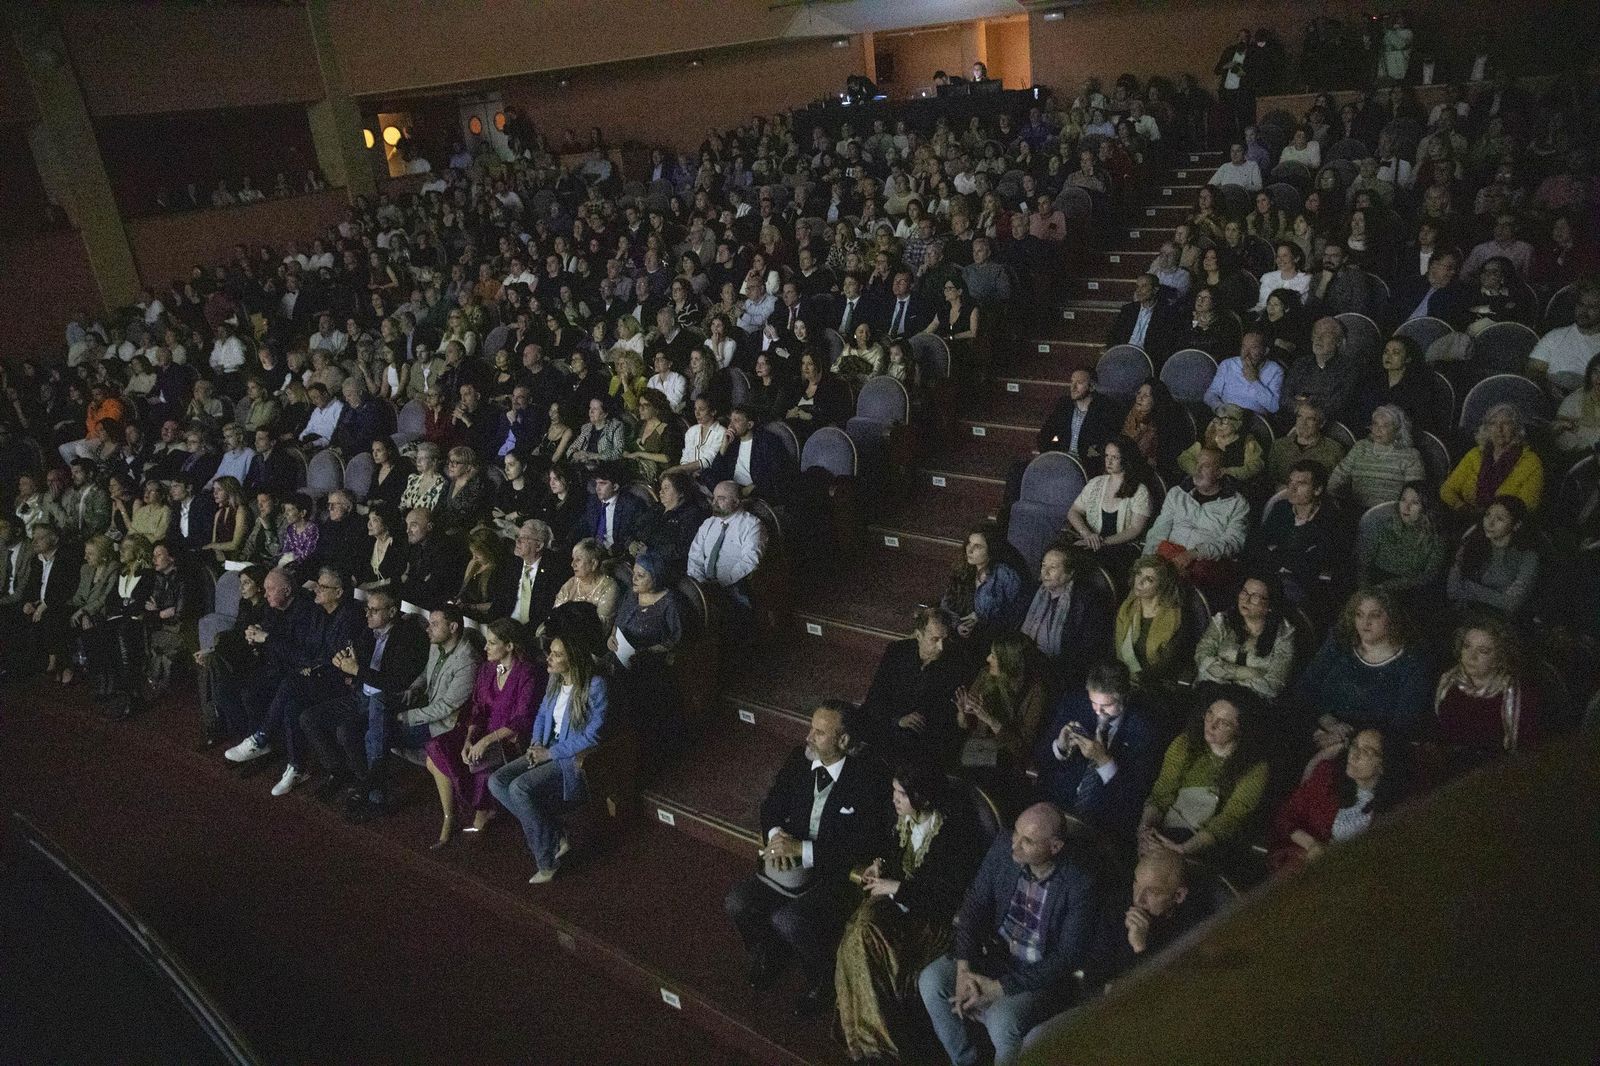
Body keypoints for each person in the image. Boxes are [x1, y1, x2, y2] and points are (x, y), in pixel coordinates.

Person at [726, 701, 893, 1013]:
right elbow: (772, 804)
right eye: (810, 728)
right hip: (787, 867)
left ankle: (824, 981)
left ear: (844, 741)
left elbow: (865, 844)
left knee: (789, 919)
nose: (808, 737)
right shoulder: (798, 761)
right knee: (738, 901)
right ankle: (769, 951)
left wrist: (804, 851)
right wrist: (776, 837)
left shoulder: (869, 780)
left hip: (835, 875)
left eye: (819, 732)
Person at [917, 803, 1097, 1066]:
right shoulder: (1004, 847)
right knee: (932, 981)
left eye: (1028, 841)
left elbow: (1067, 957)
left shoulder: (1079, 882)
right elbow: (974, 904)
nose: (1015, 845)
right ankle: (965, 1061)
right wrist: (963, 969)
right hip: (996, 955)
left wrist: (999, 989)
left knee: (1003, 1021)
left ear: (1054, 847)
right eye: (1016, 833)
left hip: (1039, 974)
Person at [834, 762, 987, 1063]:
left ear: (924, 798)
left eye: (901, 794)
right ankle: (869, 1039)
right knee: (856, 935)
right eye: (894, 791)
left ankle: (873, 1043)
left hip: (928, 919)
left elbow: (946, 896)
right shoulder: (903, 819)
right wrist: (880, 864)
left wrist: (897, 888)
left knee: (861, 936)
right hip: (896, 907)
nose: (895, 799)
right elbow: (891, 851)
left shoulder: (952, 834)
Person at [488, 618, 609, 885]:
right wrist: (534, 744)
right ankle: (553, 832)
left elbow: (591, 736)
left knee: (520, 788)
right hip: (545, 749)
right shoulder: (554, 680)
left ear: (573, 659)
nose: (549, 659)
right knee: (496, 781)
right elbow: (543, 714)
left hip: (568, 758)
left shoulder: (595, 686)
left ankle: (546, 860)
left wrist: (549, 754)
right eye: (550, 653)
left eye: (556, 655)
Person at [425, 617, 545, 847]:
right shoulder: (488, 668)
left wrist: (485, 742)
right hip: (481, 732)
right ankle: (450, 816)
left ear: (509, 646)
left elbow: (523, 719)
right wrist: (470, 739)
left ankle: (482, 810)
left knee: (477, 764)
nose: (485, 647)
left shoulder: (527, 673)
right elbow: (477, 708)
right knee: (437, 749)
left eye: (491, 643)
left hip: (510, 738)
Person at [1033, 660, 1164, 841]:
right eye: (1094, 702)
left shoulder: (1143, 730)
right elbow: (1040, 760)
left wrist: (1104, 761)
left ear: (1124, 698)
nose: (1098, 711)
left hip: (1101, 820)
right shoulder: (1075, 705)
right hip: (1056, 804)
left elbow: (1133, 798)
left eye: (1107, 705)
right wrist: (1060, 747)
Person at [1297, 588, 1433, 748]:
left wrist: (1346, 737)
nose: (1365, 622)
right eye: (1359, 614)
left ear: (1391, 617)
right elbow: (1305, 688)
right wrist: (1323, 725)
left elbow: (1403, 725)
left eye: (1374, 615)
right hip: (1320, 731)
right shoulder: (1340, 643)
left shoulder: (1411, 662)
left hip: (1370, 747)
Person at [1138, 694, 1269, 859]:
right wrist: (1144, 830)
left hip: (1205, 840)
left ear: (1241, 730)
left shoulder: (1255, 767)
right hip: (1167, 824)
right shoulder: (1185, 743)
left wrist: (1183, 848)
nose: (1211, 725)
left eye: (1224, 723)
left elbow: (1230, 819)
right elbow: (1161, 793)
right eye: (1210, 714)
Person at [1269, 728, 1400, 872]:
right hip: (1305, 863)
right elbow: (1285, 816)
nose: (1354, 755)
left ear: (1383, 765)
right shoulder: (1328, 775)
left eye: (1366, 752)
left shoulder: (1392, 809)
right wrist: (1312, 844)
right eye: (1354, 745)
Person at [1433, 612, 1542, 764]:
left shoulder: (1519, 694)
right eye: (1467, 647)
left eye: (1483, 651)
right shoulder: (1448, 681)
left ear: (1499, 658)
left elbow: (1526, 751)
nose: (1471, 657)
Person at [1145, 447, 1250, 588]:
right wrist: (1146, 560)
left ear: (1219, 473)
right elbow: (1159, 530)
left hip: (1205, 562)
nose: (1197, 469)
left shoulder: (1237, 503)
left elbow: (1233, 542)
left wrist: (1194, 553)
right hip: (1170, 556)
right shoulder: (1177, 493)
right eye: (1197, 463)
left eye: (1205, 466)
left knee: (1194, 575)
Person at [1194, 573, 1298, 700]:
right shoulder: (1223, 621)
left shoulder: (1284, 634)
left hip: (1252, 703)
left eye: (1255, 596)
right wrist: (1250, 672)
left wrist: (1226, 678)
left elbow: (1273, 684)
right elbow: (1202, 657)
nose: (1246, 600)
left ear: (1270, 605)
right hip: (1211, 694)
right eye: (1244, 592)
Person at [1019, 545, 1112, 687]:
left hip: (1061, 672)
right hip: (1028, 661)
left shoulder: (1087, 602)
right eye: (1044, 565)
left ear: (1070, 573)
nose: (1045, 572)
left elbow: (1086, 652)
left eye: (1053, 567)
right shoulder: (1036, 592)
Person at [1252, 460, 1335, 604]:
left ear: (1317, 489)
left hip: (1304, 585)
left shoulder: (1331, 518)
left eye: (1301, 484)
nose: (1292, 488)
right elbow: (1258, 544)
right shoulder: (1280, 509)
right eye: (1290, 482)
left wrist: (1277, 551)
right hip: (1270, 576)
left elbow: (1316, 563)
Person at [1439, 403, 1543, 516]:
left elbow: (1527, 506)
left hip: (1506, 525)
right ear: (1487, 429)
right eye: (1493, 423)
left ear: (1516, 428)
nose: (1499, 429)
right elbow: (1447, 489)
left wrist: (1490, 517)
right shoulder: (1475, 454)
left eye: (1506, 423)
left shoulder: (1531, 462)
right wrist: (1462, 507)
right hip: (1468, 516)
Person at [1445, 496, 1539, 617]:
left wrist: (1469, 586)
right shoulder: (1472, 540)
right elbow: (1452, 590)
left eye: (1500, 519)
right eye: (1487, 515)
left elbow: (1512, 604)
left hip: (1503, 620)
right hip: (1465, 613)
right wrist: (1497, 597)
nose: (1490, 523)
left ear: (1516, 525)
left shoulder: (1527, 555)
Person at [1328, 404, 1425, 510]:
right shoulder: (1361, 447)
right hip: (1356, 509)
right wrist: (1331, 500)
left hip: (1391, 513)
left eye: (1385, 426)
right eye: (1375, 424)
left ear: (1397, 430)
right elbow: (1339, 476)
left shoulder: (1410, 455)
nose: (1378, 430)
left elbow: (1414, 493)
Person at [687, 480, 766, 606]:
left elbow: (750, 560)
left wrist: (721, 583)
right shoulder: (708, 523)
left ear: (736, 501)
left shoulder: (751, 525)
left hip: (733, 587)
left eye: (721, 499)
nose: (714, 503)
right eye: (714, 498)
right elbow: (694, 556)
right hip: (703, 586)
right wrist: (700, 583)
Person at [940, 527, 1025, 642]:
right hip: (960, 637)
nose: (969, 550)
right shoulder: (961, 570)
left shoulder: (1005, 576)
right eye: (969, 543)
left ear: (991, 550)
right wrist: (958, 625)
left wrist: (983, 619)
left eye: (977, 546)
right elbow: (946, 605)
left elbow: (1017, 614)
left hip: (993, 641)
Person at [1036, 368, 1120, 472]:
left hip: (1087, 466)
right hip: (1061, 461)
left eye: (1079, 383)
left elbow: (1105, 443)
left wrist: (1088, 456)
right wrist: (1054, 454)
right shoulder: (1064, 404)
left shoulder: (1104, 408)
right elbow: (1045, 435)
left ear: (1092, 387)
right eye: (1072, 382)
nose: (1073, 387)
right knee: (1019, 468)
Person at [631, 471, 708, 579]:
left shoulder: (692, 515)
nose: (661, 492)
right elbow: (636, 527)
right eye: (661, 488)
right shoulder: (657, 508)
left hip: (667, 568)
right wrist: (631, 543)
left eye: (666, 488)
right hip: (642, 560)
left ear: (681, 492)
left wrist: (651, 551)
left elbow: (682, 549)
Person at [1178, 404, 1265, 485]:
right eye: (1217, 419)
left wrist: (1228, 472)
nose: (1219, 424)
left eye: (1225, 420)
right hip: (1205, 483)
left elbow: (1255, 467)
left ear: (1238, 423)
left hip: (1233, 485)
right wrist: (1198, 472)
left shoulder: (1247, 441)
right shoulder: (1208, 437)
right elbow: (1184, 458)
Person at [1204, 330, 1283, 416]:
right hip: (1226, 416)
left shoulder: (1275, 370)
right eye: (1244, 347)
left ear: (1265, 351)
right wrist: (1219, 408)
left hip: (1254, 420)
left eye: (1254, 348)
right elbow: (1210, 394)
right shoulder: (1228, 364)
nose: (1246, 354)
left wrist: (1254, 381)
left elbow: (1274, 407)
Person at [1108, 274, 1180, 361]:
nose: (1138, 291)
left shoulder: (1167, 313)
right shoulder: (1128, 310)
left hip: (1149, 359)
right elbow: (1114, 335)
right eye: (1137, 287)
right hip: (1124, 355)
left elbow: (1165, 345)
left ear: (1155, 289)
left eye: (1144, 286)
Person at [581, 462, 649, 555]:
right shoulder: (593, 501)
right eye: (596, 483)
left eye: (602, 484)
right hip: (594, 550)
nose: (597, 488)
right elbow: (583, 523)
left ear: (615, 486)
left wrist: (618, 548)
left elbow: (636, 535)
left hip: (617, 553)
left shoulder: (631, 505)